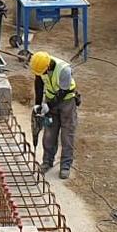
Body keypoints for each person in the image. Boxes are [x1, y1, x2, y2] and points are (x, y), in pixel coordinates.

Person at [29, 50, 80, 179]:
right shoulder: (40, 66)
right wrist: (38, 104)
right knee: (49, 132)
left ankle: (65, 165)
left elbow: (63, 92)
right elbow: (39, 84)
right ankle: (47, 161)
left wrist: (49, 106)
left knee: (67, 134)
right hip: (51, 100)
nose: (41, 75)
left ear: (48, 66)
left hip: (67, 102)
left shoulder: (64, 70)